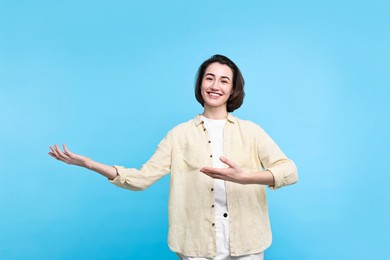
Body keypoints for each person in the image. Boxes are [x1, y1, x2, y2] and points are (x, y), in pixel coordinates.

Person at [48, 54, 298, 260]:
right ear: (200, 84)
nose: (215, 86)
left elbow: (290, 171)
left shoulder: (251, 132)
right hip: (195, 247)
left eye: (224, 81)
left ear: (233, 88)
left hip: (248, 245)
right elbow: (141, 179)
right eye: (209, 78)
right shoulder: (179, 135)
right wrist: (90, 164)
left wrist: (246, 178)